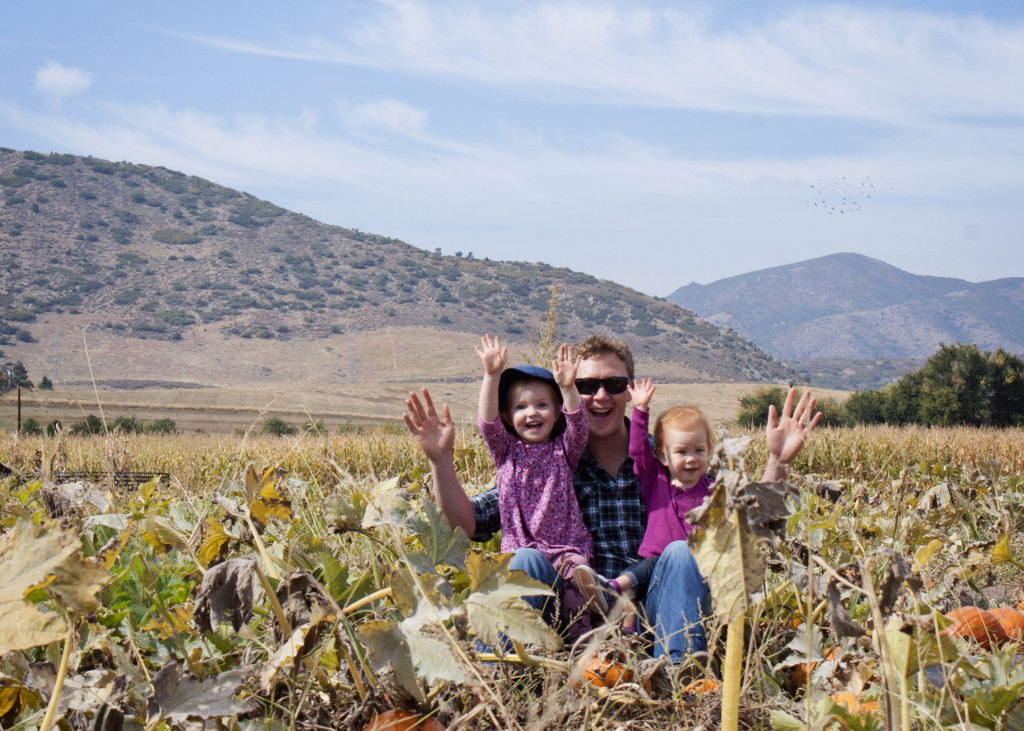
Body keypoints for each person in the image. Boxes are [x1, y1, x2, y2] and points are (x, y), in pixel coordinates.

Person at [403, 334, 820, 663]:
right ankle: (502, 680)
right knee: (525, 561)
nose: (600, 396)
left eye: (614, 384)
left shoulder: (666, 462)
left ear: (629, 390)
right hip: (568, 621)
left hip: (651, 615)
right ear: (570, 392)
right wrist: (441, 461)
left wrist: (777, 463)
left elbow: (736, 528)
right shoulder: (549, 464)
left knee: (681, 552)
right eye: (586, 385)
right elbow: (466, 525)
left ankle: (681, 682)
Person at [474, 335, 596, 633]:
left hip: (565, 550)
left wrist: (568, 387)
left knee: (576, 601)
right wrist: (491, 376)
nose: (532, 413)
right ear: (506, 416)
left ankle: (584, 638)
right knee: (522, 611)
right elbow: (486, 424)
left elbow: (579, 425)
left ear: (556, 415)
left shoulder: (564, 451)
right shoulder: (505, 452)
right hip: (522, 551)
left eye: (542, 405)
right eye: (520, 407)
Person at [575, 378, 715, 633]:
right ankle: (624, 623)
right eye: (682, 452)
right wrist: (640, 411)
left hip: (693, 572)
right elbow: (638, 450)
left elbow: (747, 513)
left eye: (699, 450)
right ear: (662, 455)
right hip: (655, 562)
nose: (692, 459)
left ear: (709, 452)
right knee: (641, 581)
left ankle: (611, 590)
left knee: (676, 560)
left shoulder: (715, 491)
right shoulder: (656, 479)